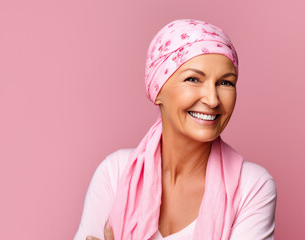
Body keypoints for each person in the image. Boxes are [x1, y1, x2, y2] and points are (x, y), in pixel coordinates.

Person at [74, 19, 277, 240]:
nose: (212, 99)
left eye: (225, 83)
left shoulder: (252, 186)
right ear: (157, 90)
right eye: (193, 79)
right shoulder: (115, 172)